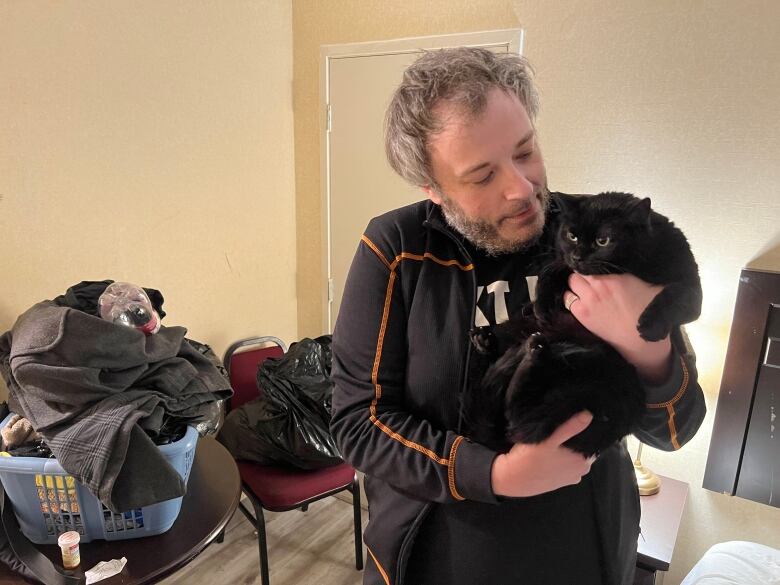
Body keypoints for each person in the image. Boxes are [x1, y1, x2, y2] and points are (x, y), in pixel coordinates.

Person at [330, 47, 705, 585]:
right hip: (438, 549)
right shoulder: (397, 250)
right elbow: (358, 423)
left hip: (587, 548)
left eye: (525, 152)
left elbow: (675, 429)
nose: (522, 188)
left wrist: (646, 350)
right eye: (482, 176)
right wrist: (495, 474)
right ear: (433, 190)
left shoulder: (602, 235)